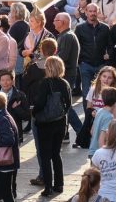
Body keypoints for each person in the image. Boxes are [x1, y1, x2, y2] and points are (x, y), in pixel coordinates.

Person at [31, 56, 71, 197]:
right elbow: (69, 104)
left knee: (45, 156)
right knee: (56, 154)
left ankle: (48, 186)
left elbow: (40, 103)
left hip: (45, 124)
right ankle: (59, 184)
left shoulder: (45, 83)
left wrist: (34, 113)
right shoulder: (65, 83)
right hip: (60, 123)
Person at [75, 3, 111, 110]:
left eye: (94, 11)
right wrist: (80, 61)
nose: (92, 13)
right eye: (90, 11)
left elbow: (110, 45)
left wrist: (108, 54)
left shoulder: (105, 28)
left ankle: (102, 115)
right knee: (87, 93)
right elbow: (77, 46)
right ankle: (88, 119)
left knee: (103, 91)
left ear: (98, 12)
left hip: (101, 64)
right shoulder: (80, 28)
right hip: (85, 64)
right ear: (86, 13)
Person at [91, 120, 116, 202]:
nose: (106, 131)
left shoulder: (98, 153)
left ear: (110, 134)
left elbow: (92, 178)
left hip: (103, 196)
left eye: (108, 129)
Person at [87, 87, 116, 159]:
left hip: (92, 151)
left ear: (103, 100)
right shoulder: (109, 117)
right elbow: (102, 138)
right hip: (100, 154)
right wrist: (105, 155)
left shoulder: (99, 111)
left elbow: (92, 131)